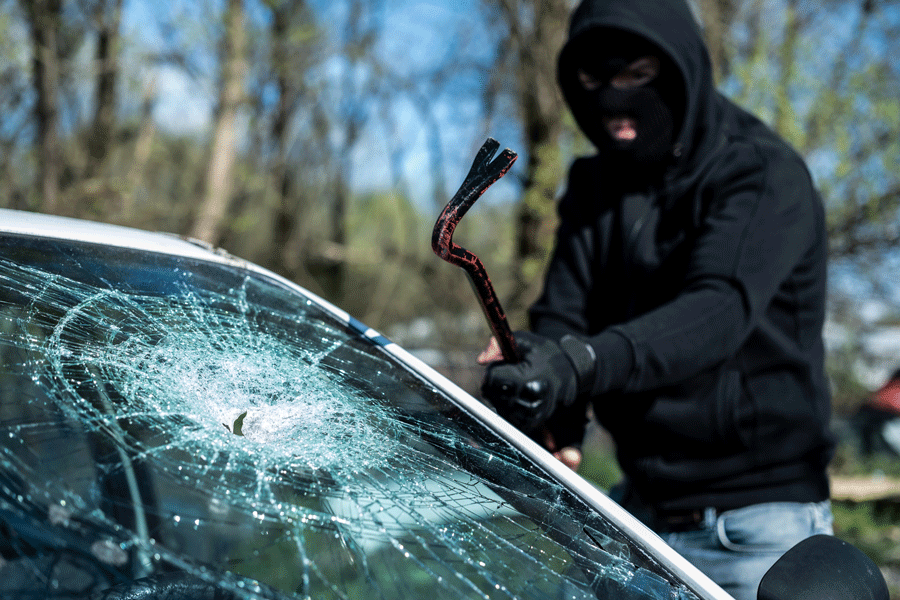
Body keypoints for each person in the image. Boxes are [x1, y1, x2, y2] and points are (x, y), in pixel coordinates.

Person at [478, 0, 836, 598]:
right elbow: (565, 312)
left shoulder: (760, 173)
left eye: (637, 75)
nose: (613, 101)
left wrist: (579, 364)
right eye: (592, 81)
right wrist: (545, 386)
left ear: (682, 66)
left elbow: (717, 310)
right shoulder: (594, 185)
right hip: (635, 516)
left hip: (756, 530)